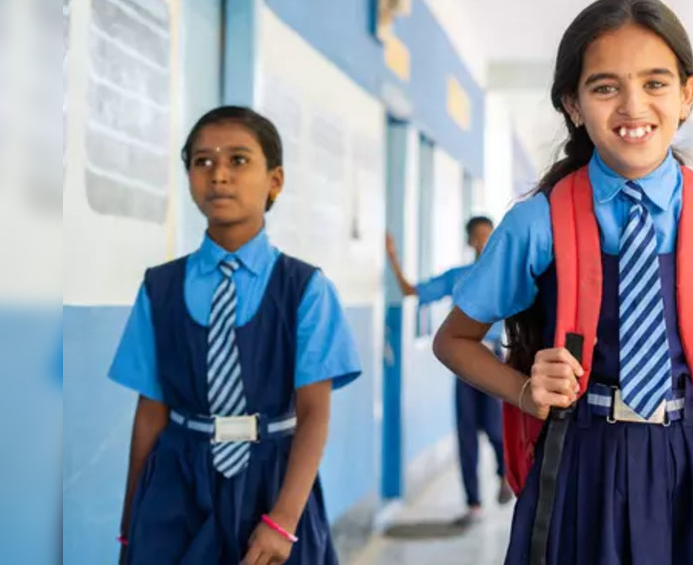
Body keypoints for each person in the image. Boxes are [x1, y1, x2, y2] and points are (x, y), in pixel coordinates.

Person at [432, 0, 693, 564]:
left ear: (687, 95)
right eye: (606, 87)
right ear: (573, 103)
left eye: (656, 83)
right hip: (584, 461)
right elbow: (454, 340)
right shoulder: (539, 221)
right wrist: (522, 388)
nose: (633, 106)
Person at [109, 106, 361, 564]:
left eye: (238, 160)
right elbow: (149, 413)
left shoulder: (305, 289)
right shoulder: (159, 289)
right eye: (202, 161)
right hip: (177, 481)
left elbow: (314, 416)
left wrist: (283, 521)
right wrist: (130, 526)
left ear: (275, 181)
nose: (218, 174)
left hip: (272, 478)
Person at [384, 217, 513, 526]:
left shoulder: (506, 273)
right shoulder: (459, 277)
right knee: (466, 432)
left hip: (494, 359)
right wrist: (392, 258)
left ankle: (506, 474)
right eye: (477, 237)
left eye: (487, 236)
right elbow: (412, 290)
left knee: (496, 427)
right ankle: (473, 504)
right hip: (465, 361)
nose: (482, 242)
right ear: (469, 241)